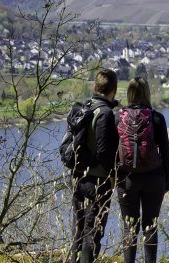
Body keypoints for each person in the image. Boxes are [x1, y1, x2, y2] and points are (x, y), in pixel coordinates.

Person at [116, 77, 169, 263]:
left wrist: (114, 177)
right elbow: (165, 152)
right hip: (154, 178)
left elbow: (112, 152)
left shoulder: (118, 117)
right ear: (147, 93)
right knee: (150, 226)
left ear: (129, 93)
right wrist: (167, 180)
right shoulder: (156, 117)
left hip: (127, 179)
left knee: (129, 227)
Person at [69, 69, 119, 263]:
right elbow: (103, 151)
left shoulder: (84, 106)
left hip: (76, 176)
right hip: (97, 180)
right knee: (93, 231)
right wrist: (113, 175)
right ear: (113, 90)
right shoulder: (105, 113)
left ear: (94, 87)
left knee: (78, 228)